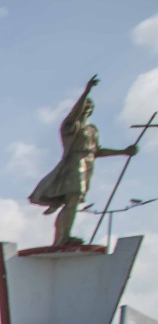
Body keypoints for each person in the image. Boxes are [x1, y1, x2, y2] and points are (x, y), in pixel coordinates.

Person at [29, 75, 139, 245]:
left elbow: (97, 151)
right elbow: (75, 112)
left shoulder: (92, 129)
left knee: (72, 201)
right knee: (73, 198)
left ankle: (62, 237)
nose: (86, 108)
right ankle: (64, 237)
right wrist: (86, 91)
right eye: (84, 105)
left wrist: (124, 151)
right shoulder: (71, 126)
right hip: (74, 163)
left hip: (88, 164)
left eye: (89, 106)